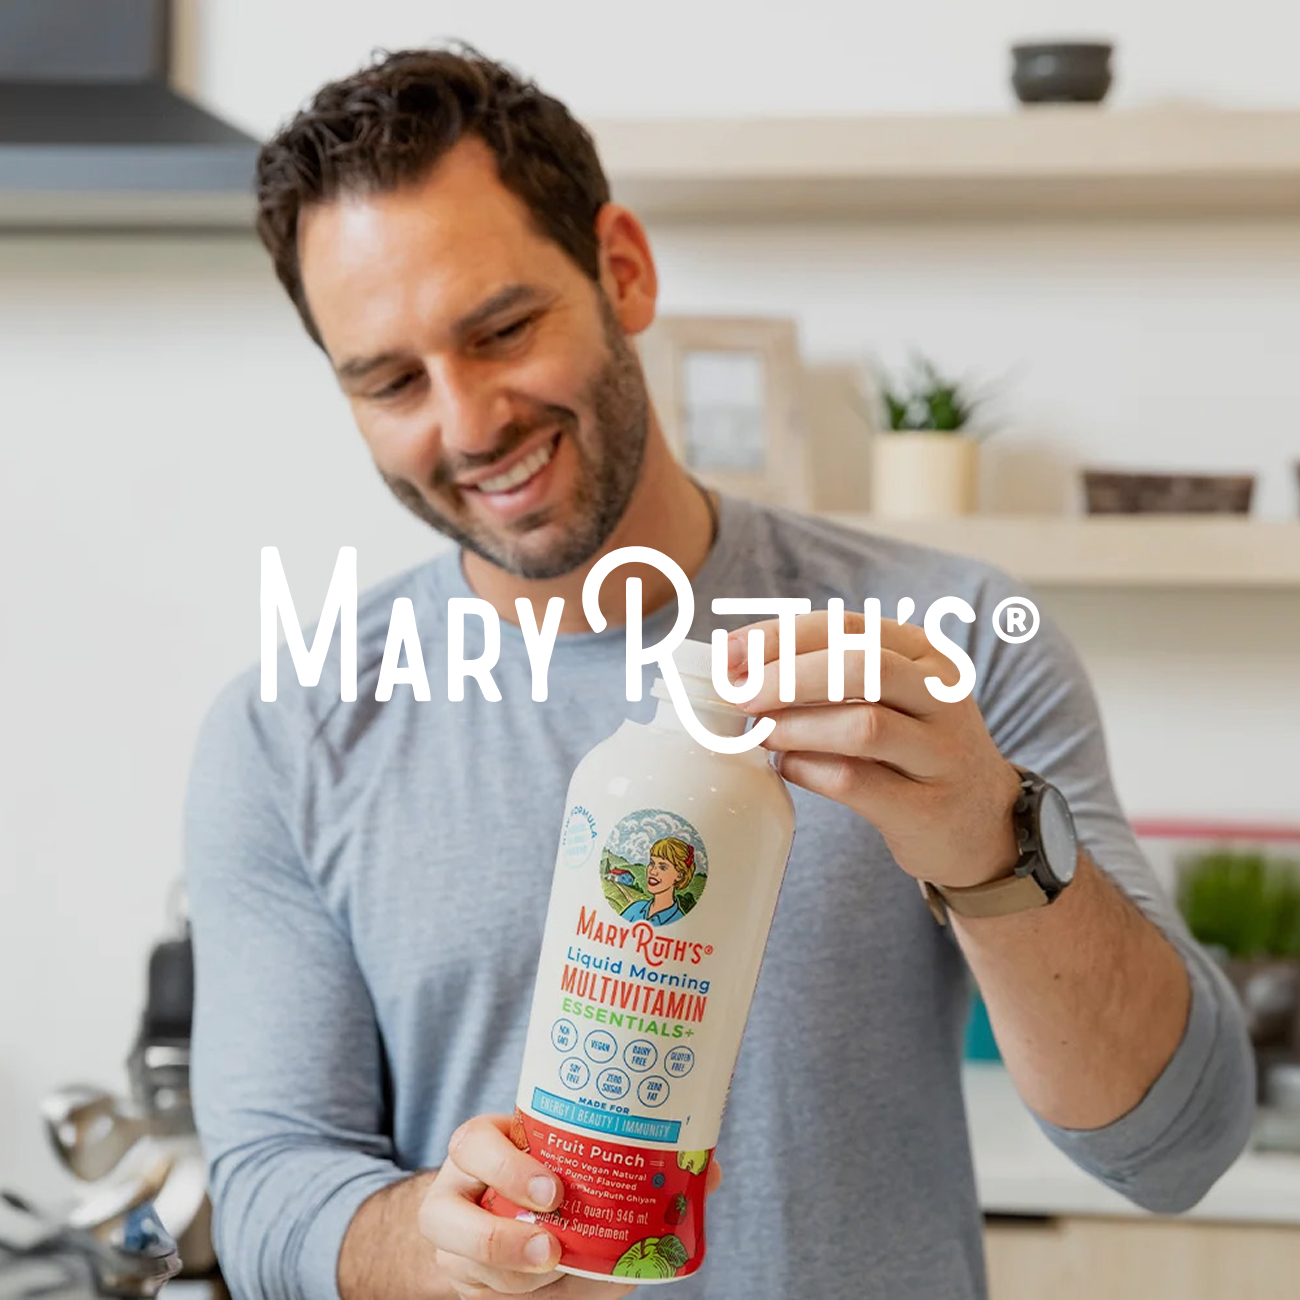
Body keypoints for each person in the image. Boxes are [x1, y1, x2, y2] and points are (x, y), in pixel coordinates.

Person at [184, 46, 1255, 1300]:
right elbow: (263, 1189)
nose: (469, 423)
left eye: (504, 329)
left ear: (621, 271)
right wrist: (439, 1242)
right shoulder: (290, 728)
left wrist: (986, 837)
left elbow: (1177, 1146)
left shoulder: (941, 639)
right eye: (391, 381)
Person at [621, 838, 696, 926]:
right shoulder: (636, 908)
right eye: (652, 863)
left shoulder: (681, 920)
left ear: (679, 875)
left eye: (662, 867)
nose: (652, 871)